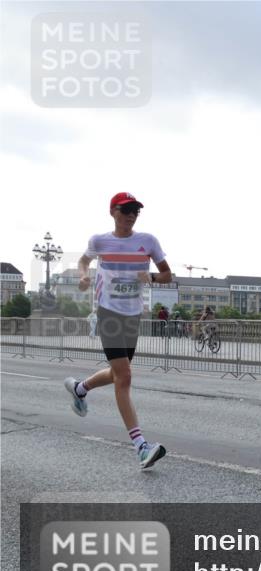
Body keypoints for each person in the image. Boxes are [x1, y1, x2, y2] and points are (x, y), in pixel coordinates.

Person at [64, 192, 172, 470]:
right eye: (126, 210)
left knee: (116, 374)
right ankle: (141, 447)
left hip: (133, 315)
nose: (131, 215)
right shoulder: (100, 241)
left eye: (136, 211)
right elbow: (83, 261)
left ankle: (80, 388)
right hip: (108, 313)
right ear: (113, 212)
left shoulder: (147, 241)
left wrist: (151, 277)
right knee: (124, 376)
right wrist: (84, 275)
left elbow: (167, 274)